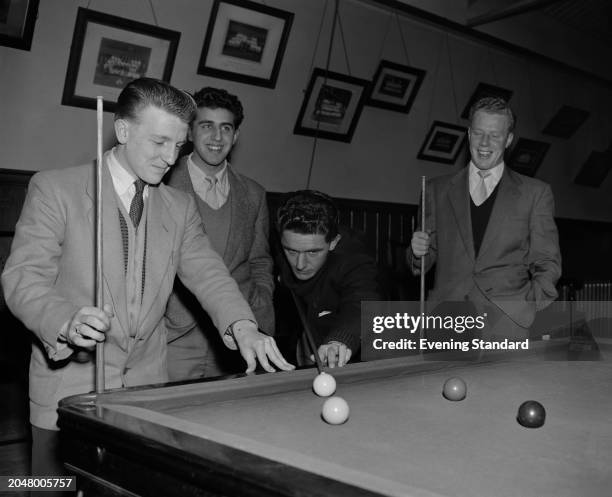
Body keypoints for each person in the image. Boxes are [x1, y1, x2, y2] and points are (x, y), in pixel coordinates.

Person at [1, 78, 293, 478]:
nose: (170, 158)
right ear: (123, 130)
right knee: (52, 488)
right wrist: (64, 320)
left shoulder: (179, 206)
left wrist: (243, 326)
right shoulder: (56, 189)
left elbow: (209, 273)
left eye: (178, 145)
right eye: (159, 142)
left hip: (146, 391)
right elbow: (23, 279)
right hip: (69, 385)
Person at [409, 97, 561, 339]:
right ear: (469, 134)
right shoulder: (436, 189)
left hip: (509, 325)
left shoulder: (535, 193)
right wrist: (418, 253)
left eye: (495, 135)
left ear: (509, 139)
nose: (484, 143)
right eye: (478, 133)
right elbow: (424, 261)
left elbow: (547, 263)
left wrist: (529, 309)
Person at [164, 87, 275, 380]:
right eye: (206, 126)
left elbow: (260, 260)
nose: (217, 137)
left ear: (235, 136)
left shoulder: (253, 193)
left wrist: (259, 302)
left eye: (226, 128)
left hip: (238, 338)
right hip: (173, 335)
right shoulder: (161, 185)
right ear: (189, 132)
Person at [275, 190, 383, 367]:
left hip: (363, 347)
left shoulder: (354, 260)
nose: (300, 264)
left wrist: (339, 341)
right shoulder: (281, 242)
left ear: (333, 242)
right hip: (309, 331)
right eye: (291, 251)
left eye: (312, 252)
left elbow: (362, 304)